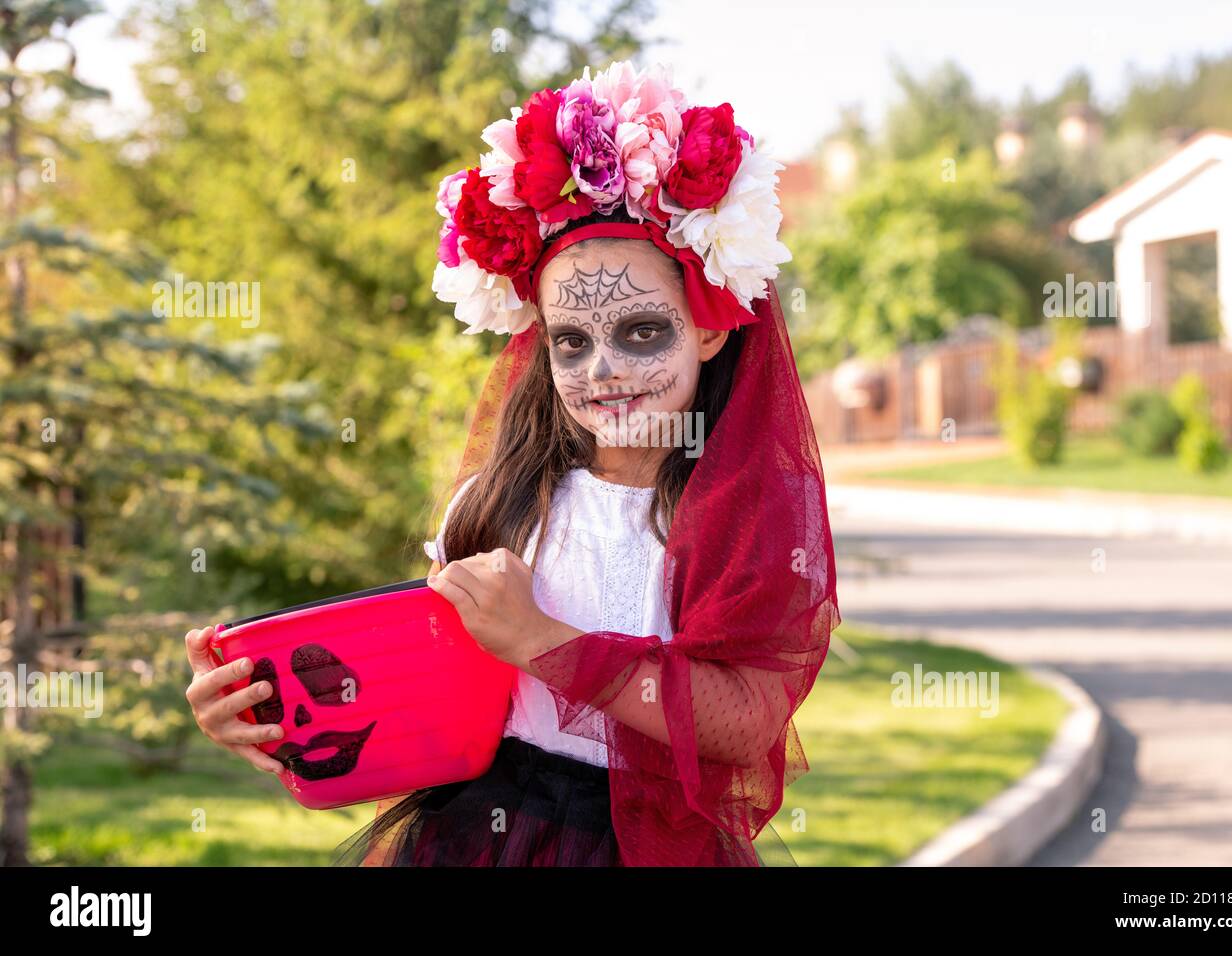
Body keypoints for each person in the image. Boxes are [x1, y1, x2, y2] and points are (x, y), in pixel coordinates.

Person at [184, 61, 839, 867]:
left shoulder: (732, 518)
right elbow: (417, 690)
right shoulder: (503, 504)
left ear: (707, 327)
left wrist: (544, 640)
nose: (602, 369)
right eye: (572, 341)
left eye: (640, 332)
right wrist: (268, 709)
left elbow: (744, 718)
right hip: (473, 836)